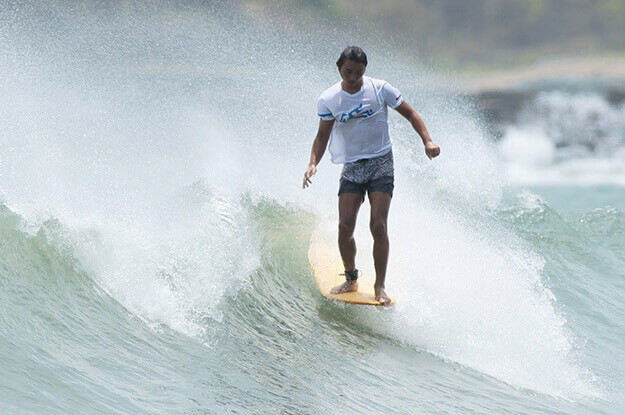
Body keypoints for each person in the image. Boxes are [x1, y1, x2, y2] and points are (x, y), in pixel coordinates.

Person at [302, 46, 440, 305]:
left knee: (378, 224)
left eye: (359, 72)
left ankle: (380, 286)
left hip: (381, 163)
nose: (353, 77)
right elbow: (322, 136)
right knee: (345, 226)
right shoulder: (329, 99)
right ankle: (351, 278)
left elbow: (411, 114)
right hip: (352, 166)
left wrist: (427, 141)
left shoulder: (380, 89)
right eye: (348, 71)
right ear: (339, 68)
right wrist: (312, 164)